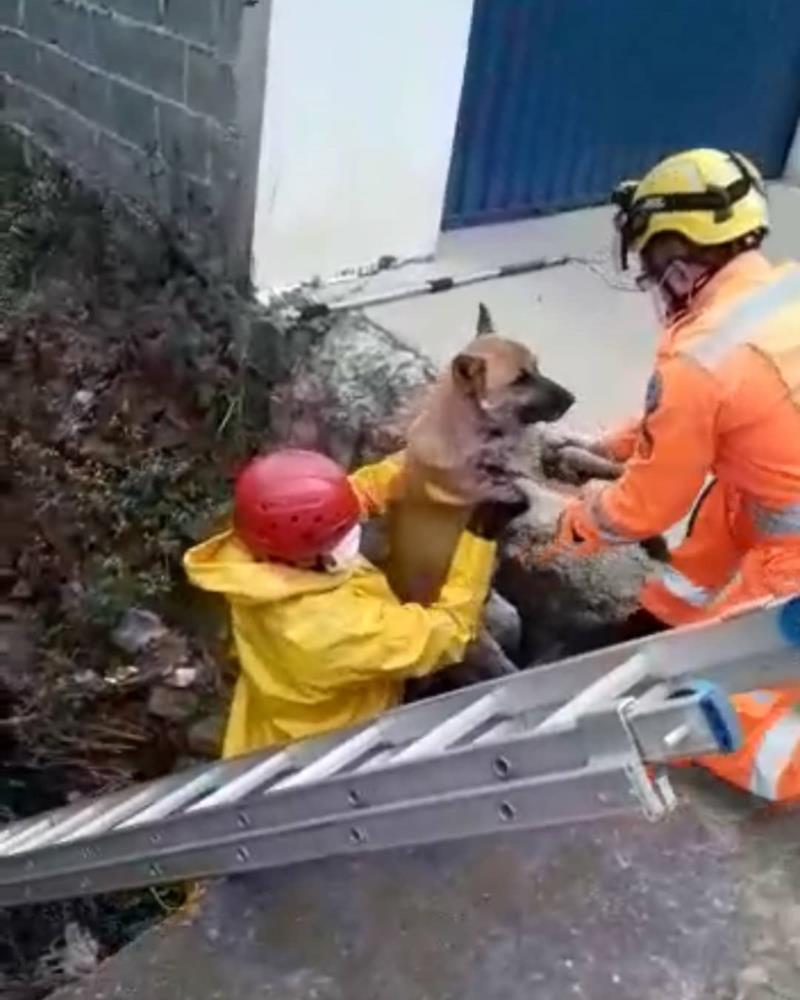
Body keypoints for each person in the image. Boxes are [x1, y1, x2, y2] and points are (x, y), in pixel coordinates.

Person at [547, 148, 800, 802]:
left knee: (694, 707)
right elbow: (702, 420)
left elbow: (641, 511)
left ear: (678, 256)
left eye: (652, 263)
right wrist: (604, 443)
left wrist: (571, 522)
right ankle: (659, 625)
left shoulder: (701, 359)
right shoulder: (782, 291)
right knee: (725, 503)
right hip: (779, 496)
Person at [184, 449, 520, 758]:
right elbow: (450, 632)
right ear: (307, 558)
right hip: (320, 750)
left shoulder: (251, 555)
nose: (354, 530)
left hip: (272, 721)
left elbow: (352, 496)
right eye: (342, 533)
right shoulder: (331, 629)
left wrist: (429, 461)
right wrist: (479, 534)